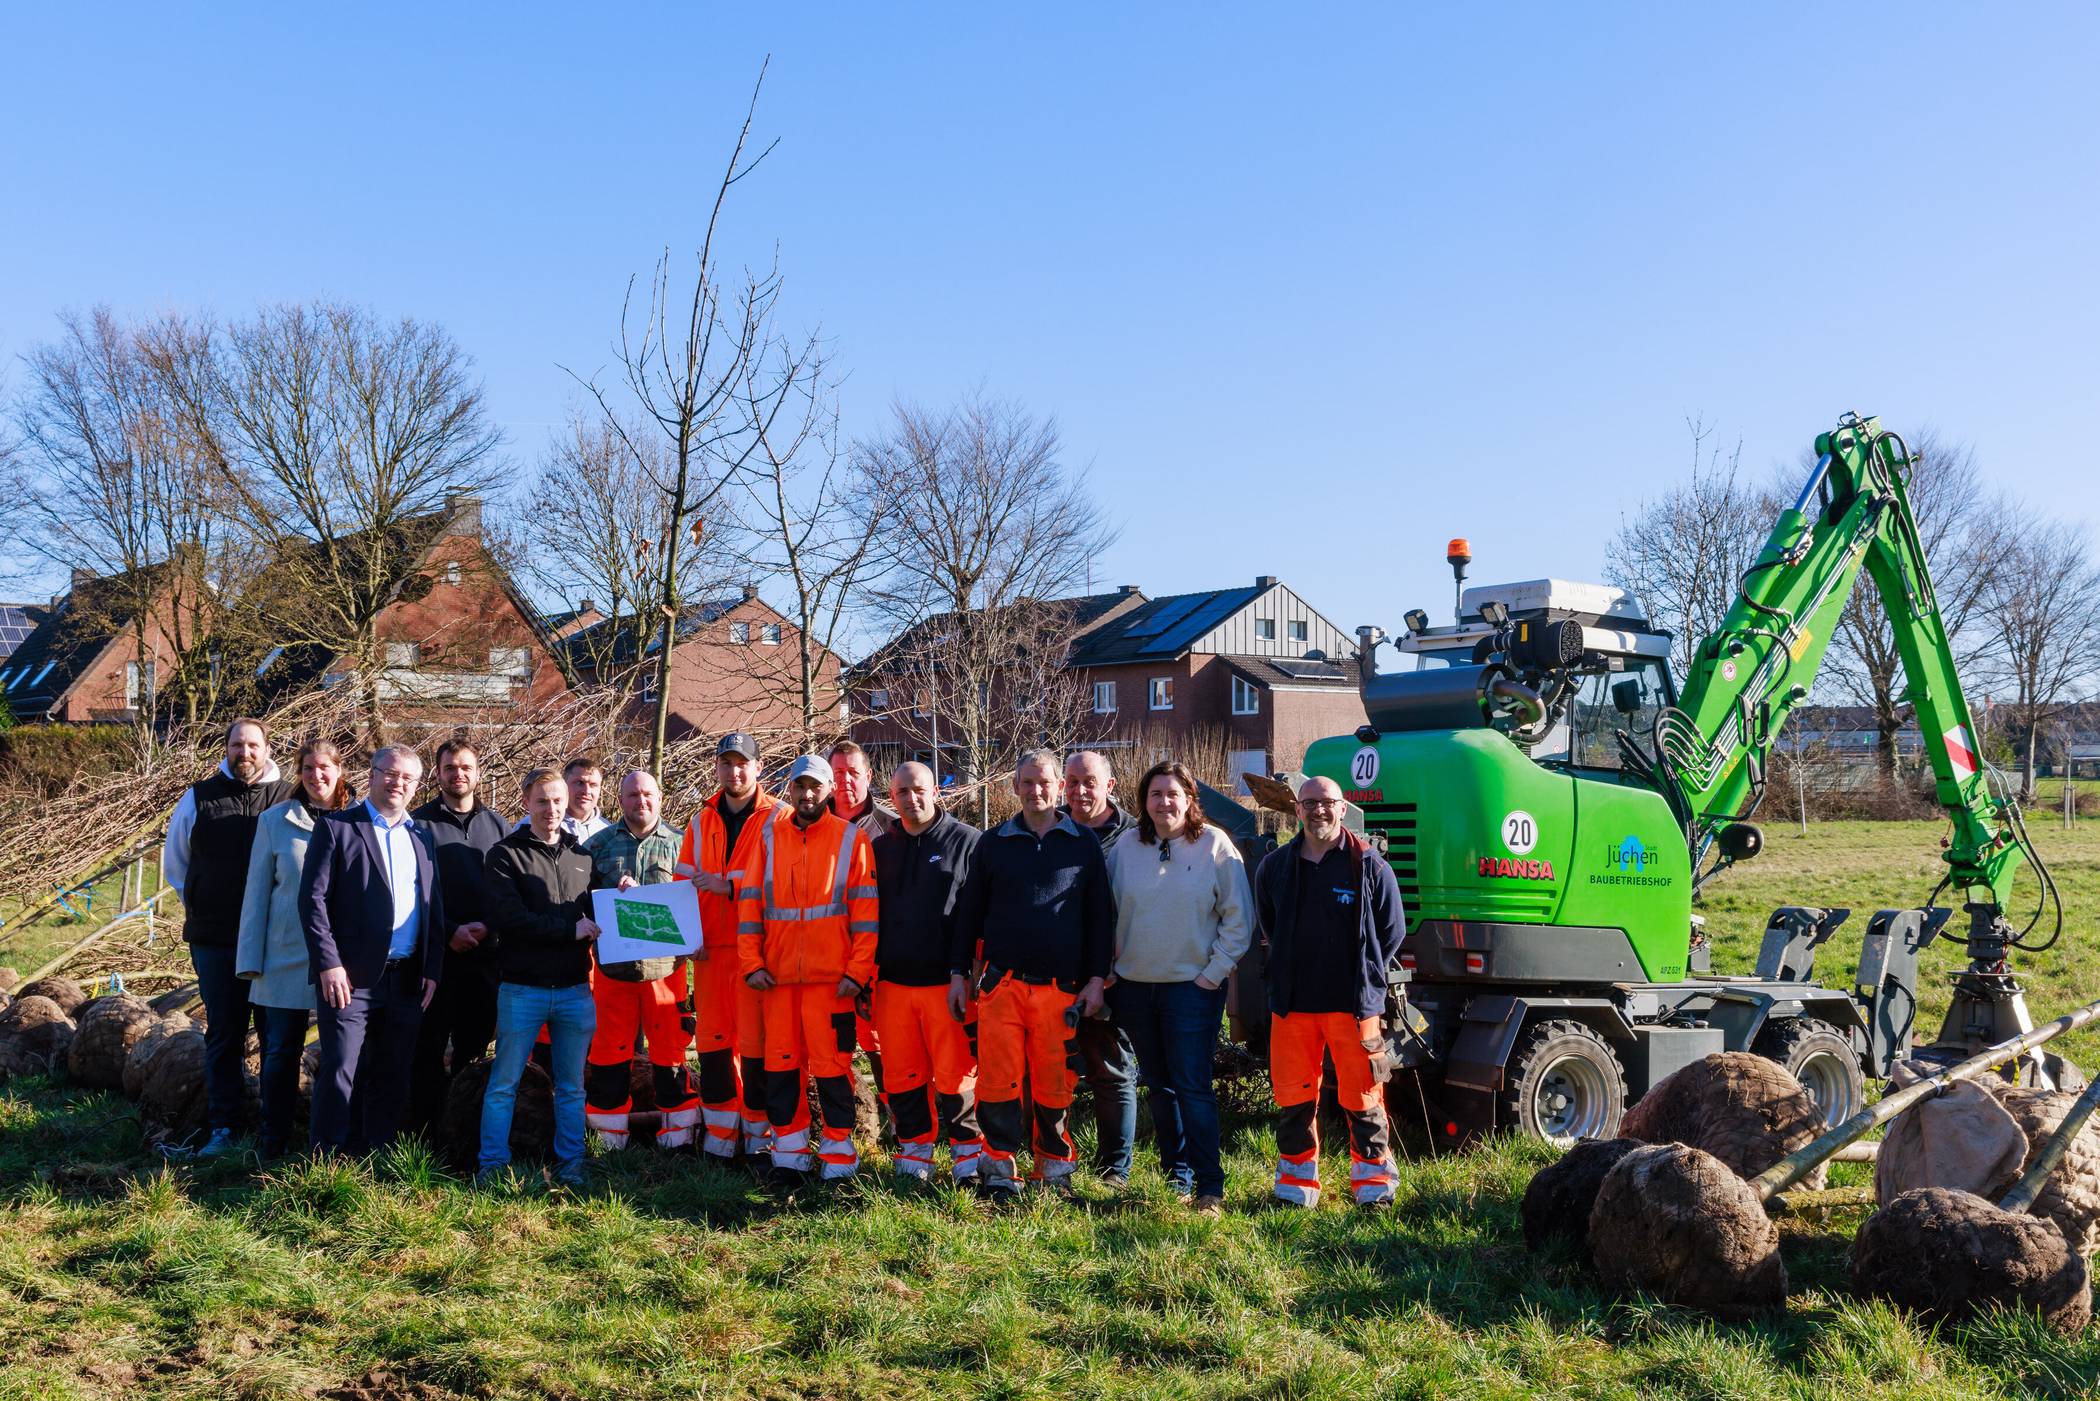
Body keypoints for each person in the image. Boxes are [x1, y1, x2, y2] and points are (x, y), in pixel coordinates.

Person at [952, 751, 1113, 1198]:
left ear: (1059, 786)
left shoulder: (1082, 843)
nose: (1035, 790)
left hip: (1061, 990)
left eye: (1044, 782)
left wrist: (1097, 979)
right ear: (1015, 787)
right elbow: (969, 915)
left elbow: (1101, 917)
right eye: (1027, 783)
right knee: (998, 1082)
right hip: (1001, 985)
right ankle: (999, 1172)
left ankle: (1054, 1173)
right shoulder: (993, 842)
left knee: (1054, 1084)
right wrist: (957, 973)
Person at [1103, 760, 1252, 1216]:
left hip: (1191, 988)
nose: (1164, 802)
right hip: (1134, 987)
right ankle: (1178, 1179)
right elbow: (1105, 913)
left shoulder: (1214, 846)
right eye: (1155, 794)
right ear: (1142, 803)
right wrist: (1109, 969)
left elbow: (1238, 919)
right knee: (1160, 1087)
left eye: (1173, 793)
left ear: (1190, 799)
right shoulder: (1125, 847)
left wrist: (1213, 972)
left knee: (1192, 1086)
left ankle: (1210, 1187)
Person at [1251, 775, 1406, 1209]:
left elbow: (1392, 931)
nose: (1318, 810)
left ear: (1342, 808)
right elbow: (1269, 924)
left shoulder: (1369, 865)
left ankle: (1374, 1189)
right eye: (1309, 803)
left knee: (1364, 1097)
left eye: (1326, 802)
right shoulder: (1276, 867)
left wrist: (1367, 973)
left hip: (1353, 1007)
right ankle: (1295, 1189)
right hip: (1293, 1005)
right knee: (1294, 1097)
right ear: (1297, 810)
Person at [734, 754, 877, 1185]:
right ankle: (790, 1157)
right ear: (790, 789)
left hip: (831, 984)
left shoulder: (852, 839)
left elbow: (866, 914)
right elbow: (750, 906)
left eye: (816, 786)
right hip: (777, 981)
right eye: (800, 786)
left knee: (833, 1072)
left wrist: (856, 973)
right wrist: (751, 963)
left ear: (828, 790)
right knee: (780, 1072)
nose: (808, 794)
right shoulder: (770, 837)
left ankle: (838, 1159)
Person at [298, 744, 447, 1156]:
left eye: (407, 778)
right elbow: (312, 902)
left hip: (407, 976)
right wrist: (328, 964)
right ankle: (327, 1156)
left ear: (417, 786)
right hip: (350, 977)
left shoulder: (421, 836)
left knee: (392, 1070)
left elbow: (434, 905)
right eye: (390, 773)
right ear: (372, 774)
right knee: (341, 1067)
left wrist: (431, 968)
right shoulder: (338, 828)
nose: (397, 783)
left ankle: (374, 1154)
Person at [162, 717, 297, 1154]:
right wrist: (203, 902)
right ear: (226, 749)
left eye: (253, 745)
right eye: (237, 745)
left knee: (276, 1034)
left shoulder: (288, 796)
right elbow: (176, 865)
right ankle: (224, 1125)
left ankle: (274, 1128)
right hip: (216, 938)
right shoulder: (199, 797)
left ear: (267, 748)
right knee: (224, 1032)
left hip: (275, 941)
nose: (246, 753)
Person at [480, 768, 600, 1186]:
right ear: (526, 802)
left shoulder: (583, 857)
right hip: (522, 990)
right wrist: (568, 931)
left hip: (573, 990)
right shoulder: (504, 855)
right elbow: (508, 919)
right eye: (541, 800)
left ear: (566, 802)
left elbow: (602, 911)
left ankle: (573, 1167)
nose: (550, 809)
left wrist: (623, 889)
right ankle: (492, 1166)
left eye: (556, 800)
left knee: (571, 1088)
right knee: (504, 1084)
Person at [235, 737, 351, 1159]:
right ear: (298, 774)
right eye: (307, 769)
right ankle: (274, 1139)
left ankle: (331, 1141)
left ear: (339, 770)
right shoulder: (274, 821)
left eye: (325, 767)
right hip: (283, 956)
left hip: (342, 959)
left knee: (341, 1053)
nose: (317, 776)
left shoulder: (359, 819)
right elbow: (255, 894)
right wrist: (250, 961)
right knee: (281, 1052)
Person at [869, 761, 983, 1182]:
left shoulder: (968, 842)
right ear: (891, 797)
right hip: (893, 984)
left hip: (947, 984)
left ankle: (968, 1156)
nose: (911, 799)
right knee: (902, 1074)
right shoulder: (880, 848)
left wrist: (965, 973)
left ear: (936, 791)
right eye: (901, 792)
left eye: (919, 790)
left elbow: (976, 918)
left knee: (957, 1076)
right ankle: (915, 1152)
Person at [674, 732, 779, 1160]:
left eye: (742, 763)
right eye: (726, 763)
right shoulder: (700, 821)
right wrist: (687, 936)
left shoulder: (780, 818)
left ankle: (757, 1143)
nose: (734, 771)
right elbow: (683, 882)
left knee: (757, 1050)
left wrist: (729, 886)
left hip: (759, 953)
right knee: (714, 1046)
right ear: (716, 768)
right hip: (712, 953)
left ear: (757, 768)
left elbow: (784, 886)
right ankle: (719, 1142)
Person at [582, 769, 699, 1150]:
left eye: (647, 794)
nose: (640, 801)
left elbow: (696, 906)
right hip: (614, 972)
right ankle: (608, 1140)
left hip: (667, 972)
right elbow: (582, 903)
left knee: (671, 1056)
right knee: (607, 1056)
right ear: (620, 799)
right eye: (632, 795)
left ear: (660, 797)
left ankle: (678, 1138)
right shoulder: (597, 846)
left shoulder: (684, 845)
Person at [408, 737, 511, 1136]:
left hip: (486, 958)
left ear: (478, 772)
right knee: (428, 1048)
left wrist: (487, 927)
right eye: (450, 767)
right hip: (436, 957)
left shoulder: (498, 825)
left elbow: (507, 889)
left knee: (475, 1045)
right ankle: (425, 1133)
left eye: (466, 767)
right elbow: (412, 891)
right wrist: (450, 931)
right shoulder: (418, 824)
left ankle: (464, 1128)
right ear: (438, 773)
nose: (458, 774)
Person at [1060, 749, 1139, 1187]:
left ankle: (1114, 1171)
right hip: (1056, 973)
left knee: (1111, 1069)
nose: (1079, 790)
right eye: (1072, 781)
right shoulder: (1052, 829)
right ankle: (1054, 1159)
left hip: (1113, 975)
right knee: (1054, 1070)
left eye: (1088, 781)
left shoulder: (1132, 837)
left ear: (1109, 786)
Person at [829, 740, 897, 837]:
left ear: (868, 777)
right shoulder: (812, 822)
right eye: (839, 772)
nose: (846, 779)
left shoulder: (892, 828)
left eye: (853, 772)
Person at [560, 757, 611, 842]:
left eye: (593, 785)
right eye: (579, 783)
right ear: (564, 785)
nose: (587, 791)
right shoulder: (541, 826)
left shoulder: (608, 831)